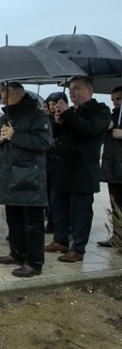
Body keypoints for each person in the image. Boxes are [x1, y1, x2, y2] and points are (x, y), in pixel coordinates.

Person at [0, 82, 52, 277]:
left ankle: (34, 262)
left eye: (5, 94)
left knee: (32, 224)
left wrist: (15, 136)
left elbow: (44, 142)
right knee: (13, 219)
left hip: (29, 178)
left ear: (18, 94)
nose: (2, 98)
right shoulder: (6, 117)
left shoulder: (37, 116)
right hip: (9, 177)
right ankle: (16, 253)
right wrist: (0, 138)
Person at [46, 77, 111, 262]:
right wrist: (57, 122)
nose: (72, 92)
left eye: (77, 88)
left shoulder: (100, 111)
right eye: (70, 88)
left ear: (90, 90)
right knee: (58, 208)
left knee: (80, 212)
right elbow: (54, 135)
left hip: (82, 171)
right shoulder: (70, 111)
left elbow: (88, 129)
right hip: (62, 169)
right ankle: (60, 239)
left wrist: (67, 114)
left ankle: (78, 248)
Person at [98, 86, 122, 247]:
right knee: (115, 203)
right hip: (113, 166)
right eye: (113, 99)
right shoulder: (113, 115)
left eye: (118, 99)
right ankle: (118, 236)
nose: (115, 103)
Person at [43, 92, 68, 233]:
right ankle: (51, 222)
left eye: (55, 104)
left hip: (60, 164)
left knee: (58, 199)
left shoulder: (67, 118)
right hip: (48, 163)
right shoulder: (47, 119)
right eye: (50, 105)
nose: (52, 108)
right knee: (49, 197)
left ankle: (59, 225)